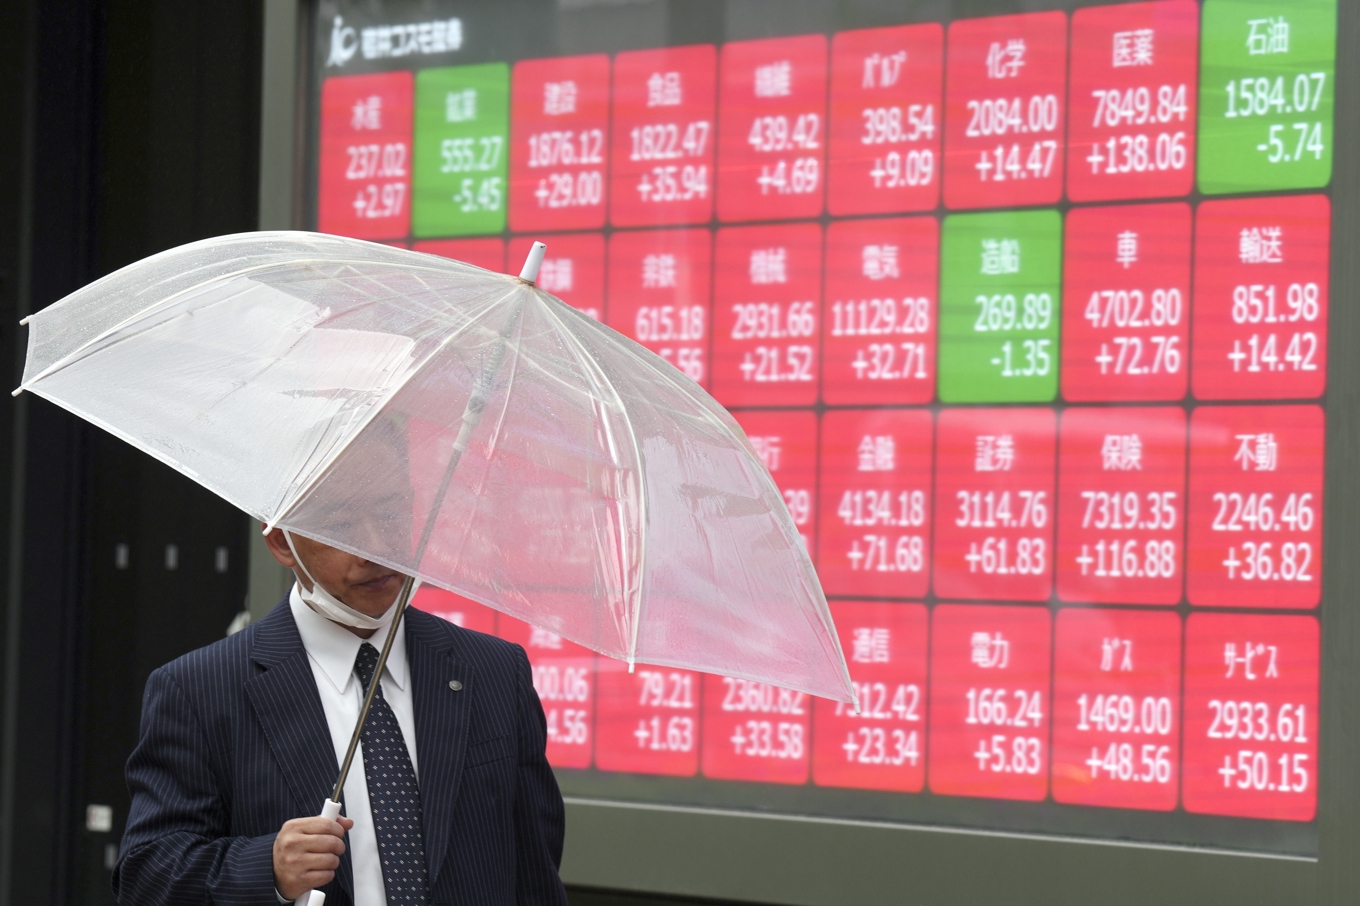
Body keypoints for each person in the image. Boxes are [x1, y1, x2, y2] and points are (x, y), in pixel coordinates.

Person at [112, 524, 569, 905]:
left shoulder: (493, 670)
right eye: (342, 528)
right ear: (279, 542)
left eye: (390, 517)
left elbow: (535, 871)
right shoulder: (200, 687)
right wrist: (267, 868)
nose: (374, 549)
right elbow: (147, 875)